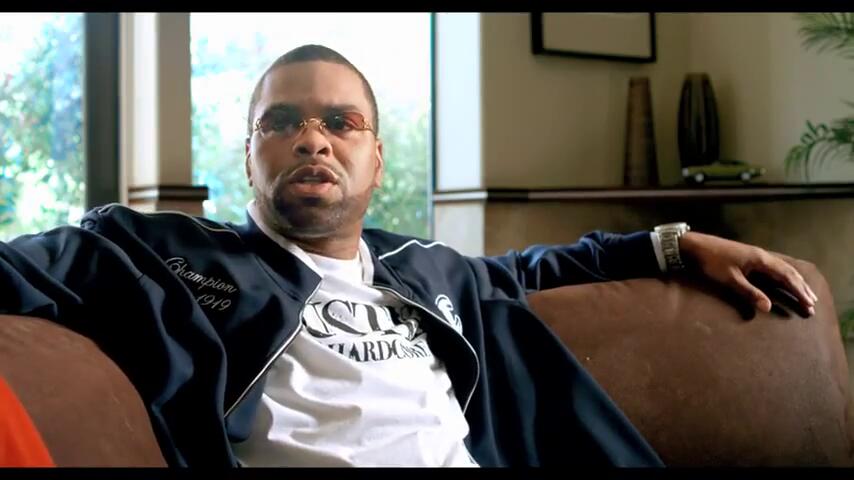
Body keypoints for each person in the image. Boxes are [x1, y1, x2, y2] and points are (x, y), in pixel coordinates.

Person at [0, 44, 817, 468]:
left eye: (341, 123)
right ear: (249, 156)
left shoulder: (429, 272)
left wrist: (678, 244)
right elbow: (28, 265)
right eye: (282, 122)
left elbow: (543, 269)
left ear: (377, 160)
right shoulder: (160, 253)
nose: (313, 139)